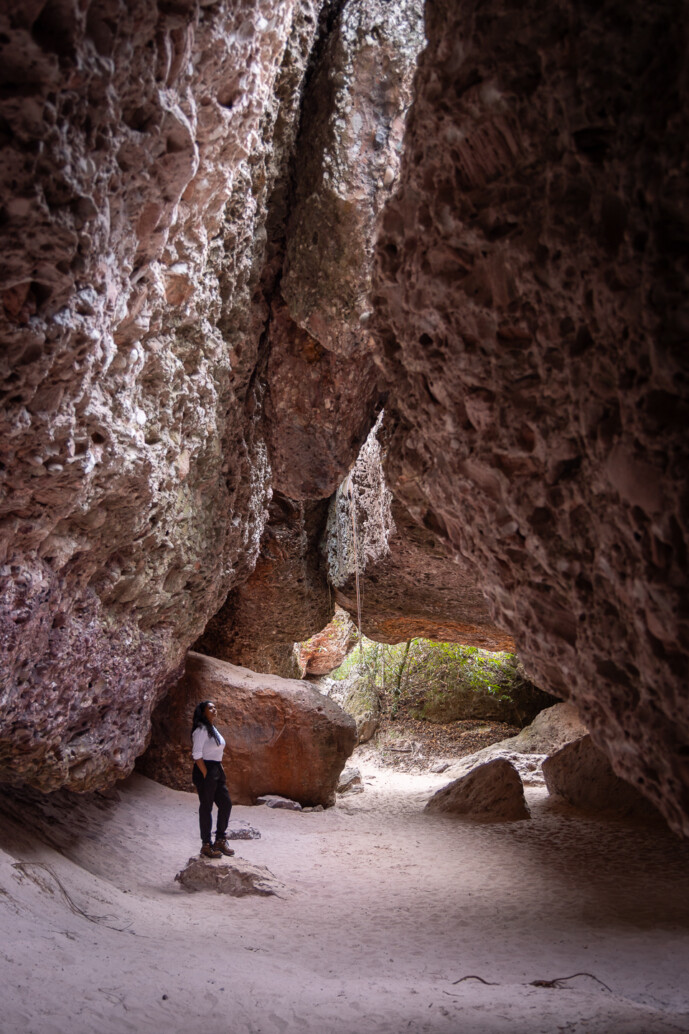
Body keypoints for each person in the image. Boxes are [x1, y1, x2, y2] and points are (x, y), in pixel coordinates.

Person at [191, 699, 235, 859]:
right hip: (206, 770)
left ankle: (220, 840)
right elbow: (197, 754)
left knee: (225, 803)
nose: (214, 710)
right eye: (210, 708)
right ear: (203, 712)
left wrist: (218, 769)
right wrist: (206, 774)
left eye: (215, 707)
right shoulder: (201, 730)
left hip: (216, 769)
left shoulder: (212, 728)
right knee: (206, 806)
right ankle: (206, 845)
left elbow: (216, 751)